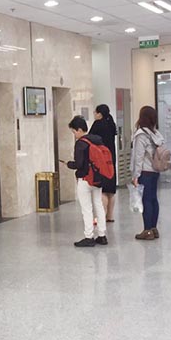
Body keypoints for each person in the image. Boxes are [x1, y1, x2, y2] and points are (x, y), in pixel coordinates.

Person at [64, 115, 107, 247]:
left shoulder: (80, 143)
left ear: (79, 129)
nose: (74, 135)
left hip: (85, 179)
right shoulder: (97, 140)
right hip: (98, 178)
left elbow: (79, 164)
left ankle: (89, 236)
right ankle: (102, 235)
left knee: (87, 208)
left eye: (74, 132)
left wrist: (69, 164)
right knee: (98, 205)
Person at [131, 105, 164, 241]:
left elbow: (138, 157)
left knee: (146, 201)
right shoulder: (156, 134)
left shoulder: (141, 135)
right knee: (153, 199)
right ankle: (154, 228)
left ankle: (147, 230)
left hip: (145, 171)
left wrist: (135, 175)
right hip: (155, 170)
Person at [89, 104, 118, 222]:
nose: (94, 114)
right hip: (111, 158)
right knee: (111, 190)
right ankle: (110, 215)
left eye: (95, 112)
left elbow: (90, 139)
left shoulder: (98, 124)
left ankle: (101, 216)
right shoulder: (111, 123)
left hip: (101, 158)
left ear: (99, 114)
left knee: (103, 189)